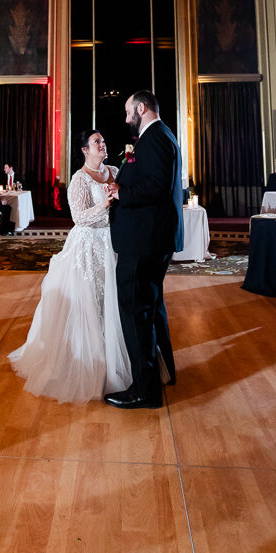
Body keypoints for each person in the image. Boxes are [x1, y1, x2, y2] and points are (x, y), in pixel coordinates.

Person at [8, 130, 131, 402]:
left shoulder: (113, 170)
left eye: (103, 140)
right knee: (90, 302)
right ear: (85, 150)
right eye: (97, 142)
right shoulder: (79, 179)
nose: (103, 144)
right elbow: (79, 217)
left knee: (115, 301)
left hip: (113, 242)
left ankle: (118, 359)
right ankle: (91, 365)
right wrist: (106, 202)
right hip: (88, 246)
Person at [104, 90, 184, 410]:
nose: (126, 119)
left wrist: (122, 191)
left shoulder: (156, 138)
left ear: (141, 108)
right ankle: (163, 375)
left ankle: (144, 391)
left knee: (136, 312)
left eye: (128, 112)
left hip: (145, 240)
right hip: (151, 238)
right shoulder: (158, 136)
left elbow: (157, 186)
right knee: (151, 308)